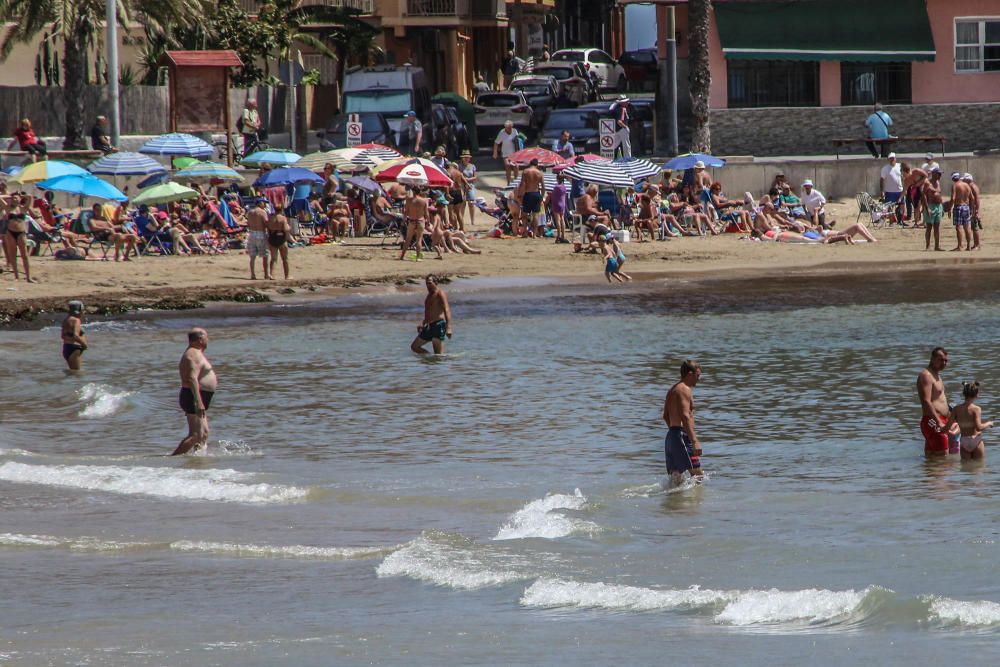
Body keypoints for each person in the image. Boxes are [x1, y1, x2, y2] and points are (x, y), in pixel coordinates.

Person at [172, 328, 217, 456]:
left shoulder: (197, 352)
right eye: (207, 337)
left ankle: (197, 461)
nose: (208, 340)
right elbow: (192, 378)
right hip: (193, 397)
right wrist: (198, 401)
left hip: (198, 396)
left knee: (204, 433)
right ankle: (171, 460)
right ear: (200, 339)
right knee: (196, 435)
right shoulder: (193, 354)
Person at [663, 360, 703, 486]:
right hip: (681, 436)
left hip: (671, 437)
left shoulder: (672, 390)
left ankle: (676, 505)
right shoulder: (684, 389)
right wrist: (694, 441)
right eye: (698, 375)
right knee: (698, 475)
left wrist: (675, 434)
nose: (699, 378)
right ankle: (696, 504)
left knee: (677, 481)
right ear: (690, 374)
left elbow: (665, 416)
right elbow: (685, 416)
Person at [917, 347, 958, 456]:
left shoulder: (936, 375)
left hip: (940, 421)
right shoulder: (926, 376)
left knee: (932, 460)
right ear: (932, 359)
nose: (944, 363)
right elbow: (927, 401)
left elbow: (940, 401)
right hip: (933, 421)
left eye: (946, 361)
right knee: (943, 461)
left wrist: (951, 417)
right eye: (941, 360)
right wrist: (939, 422)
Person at [944, 381, 993, 461]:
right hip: (976, 440)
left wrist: (940, 427)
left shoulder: (956, 409)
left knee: (965, 468)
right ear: (976, 395)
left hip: (964, 441)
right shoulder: (976, 409)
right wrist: (989, 423)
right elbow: (978, 427)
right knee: (978, 468)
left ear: (964, 394)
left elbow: (947, 427)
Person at [410, 274, 452, 355]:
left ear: (435, 282)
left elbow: (447, 309)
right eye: (426, 283)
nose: (427, 285)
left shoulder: (440, 293)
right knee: (414, 347)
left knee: (438, 356)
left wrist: (449, 327)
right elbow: (429, 311)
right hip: (429, 326)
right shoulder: (429, 295)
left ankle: (439, 363)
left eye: (429, 283)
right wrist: (423, 323)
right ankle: (429, 358)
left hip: (438, 325)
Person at [946, 172, 974, 252]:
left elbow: (953, 198)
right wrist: (971, 209)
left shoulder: (955, 185)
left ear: (953, 179)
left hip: (958, 207)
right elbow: (972, 198)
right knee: (967, 227)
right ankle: (968, 246)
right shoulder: (966, 185)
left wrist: (949, 208)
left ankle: (960, 246)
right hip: (966, 207)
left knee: (958, 227)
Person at [400, 188, 429, 261]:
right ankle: (418, 257)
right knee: (419, 239)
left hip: (412, 221)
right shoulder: (423, 201)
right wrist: (428, 221)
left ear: (413, 192)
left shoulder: (409, 200)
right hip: (420, 221)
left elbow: (406, 212)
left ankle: (402, 256)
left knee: (408, 239)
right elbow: (426, 213)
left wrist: (403, 220)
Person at [519, 158, 545, 237]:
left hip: (527, 193)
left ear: (530, 164)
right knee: (536, 215)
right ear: (537, 164)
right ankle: (534, 234)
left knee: (525, 214)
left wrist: (521, 194)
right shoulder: (539, 173)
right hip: (536, 194)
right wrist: (542, 196)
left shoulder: (525, 171)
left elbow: (522, 184)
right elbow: (543, 187)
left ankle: (525, 233)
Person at [246, 199, 270, 280]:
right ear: (260, 203)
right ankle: (266, 274)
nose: (264, 205)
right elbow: (266, 223)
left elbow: (248, 223)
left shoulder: (250, 212)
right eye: (263, 203)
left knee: (252, 257)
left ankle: (253, 274)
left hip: (252, 234)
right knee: (265, 255)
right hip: (261, 234)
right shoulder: (262, 212)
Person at [922, 167, 944, 251]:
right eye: (939, 174)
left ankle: (937, 246)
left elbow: (939, 194)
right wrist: (927, 208)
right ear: (934, 174)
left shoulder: (938, 182)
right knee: (929, 227)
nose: (940, 175)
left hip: (938, 206)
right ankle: (928, 246)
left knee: (937, 227)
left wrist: (942, 208)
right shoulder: (928, 183)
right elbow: (923, 195)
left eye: (940, 174)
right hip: (930, 206)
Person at [61, 300, 87, 371]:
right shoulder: (76, 320)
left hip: (66, 348)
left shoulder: (65, 320)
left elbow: (63, 336)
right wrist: (84, 344)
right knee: (77, 373)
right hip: (74, 349)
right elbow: (75, 335)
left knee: (72, 372)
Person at [493, 120, 520, 185]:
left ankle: (516, 182)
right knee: (507, 166)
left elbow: (517, 140)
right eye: (508, 128)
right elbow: (496, 143)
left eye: (510, 127)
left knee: (516, 166)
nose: (509, 129)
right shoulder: (502, 133)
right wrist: (495, 152)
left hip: (514, 153)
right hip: (505, 153)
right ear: (505, 127)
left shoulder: (514, 131)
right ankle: (508, 183)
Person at [267, 210, 291, 279]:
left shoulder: (271, 218)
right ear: (281, 210)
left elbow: (268, 227)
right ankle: (287, 276)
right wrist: (289, 227)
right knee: (285, 259)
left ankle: (272, 275)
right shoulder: (283, 218)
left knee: (273, 259)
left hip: (273, 238)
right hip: (281, 239)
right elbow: (286, 229)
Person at [547, 172, 569, 244]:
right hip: (563, 204)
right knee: (562, 219)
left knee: (557, 220)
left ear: (557, 179)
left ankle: (558, 236)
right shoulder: (564, 187)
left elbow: (551, 195)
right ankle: (563, 235)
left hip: (556, 204)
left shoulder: (555, 187)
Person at [963, 173, 982, 249]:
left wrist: (976, 211)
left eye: (964, 179)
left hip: (973, 209)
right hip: (971, 208)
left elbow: (977, 199)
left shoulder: (973, 187)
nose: (963, 181)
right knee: (973, 227)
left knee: (974, 227)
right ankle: (975, 244)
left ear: (968, 179)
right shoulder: (970, 186)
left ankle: (977, 245)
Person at [460, 150, 478, 228]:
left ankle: (472, 221)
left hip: (470, 186)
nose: (466, 158)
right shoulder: (459, 166)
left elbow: (475, 176)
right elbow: (459, 176)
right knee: (463, 203)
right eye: (465, 157)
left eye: (468, 157)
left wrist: (467, 179)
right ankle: (461, 220)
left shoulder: (472, 166)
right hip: (462, 186)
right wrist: (464, 180)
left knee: (471, 203)